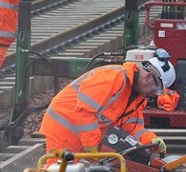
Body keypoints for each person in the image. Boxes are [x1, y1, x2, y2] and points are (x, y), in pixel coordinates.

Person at [39, 56, 176, 160]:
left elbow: (132, 127)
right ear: (149, 76)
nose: (155, 94)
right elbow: (84, 111)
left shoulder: (136, 98)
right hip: (64, 128)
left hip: (85, 136)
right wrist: (92, 144)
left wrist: (150, 140)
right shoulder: (112, 78)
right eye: (157, 89)